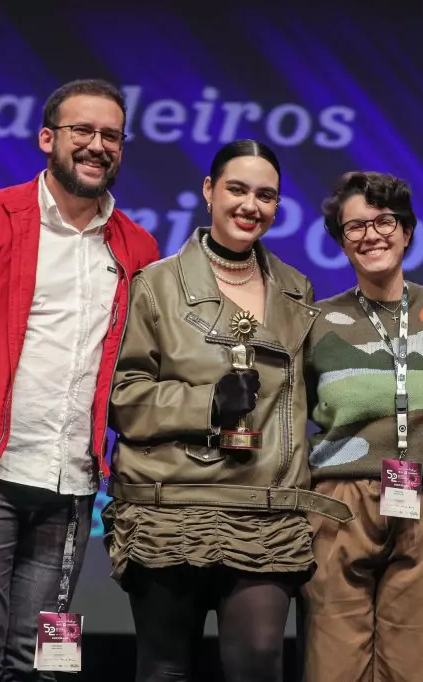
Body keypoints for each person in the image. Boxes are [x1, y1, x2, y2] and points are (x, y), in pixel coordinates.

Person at [0, 78, 160, 680]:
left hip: (69, 486)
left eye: (111, 135)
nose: (97, 145)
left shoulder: (137, 248)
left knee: (40, 664)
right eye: (82, 131)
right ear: (48, 138)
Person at [101, 139, 353, 682]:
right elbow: (123, 397)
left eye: (266, 196)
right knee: (165, 668)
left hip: (265, 509)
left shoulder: (295, 289)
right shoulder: (157, 284)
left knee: (259, 662)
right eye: (237, 189)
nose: (250, 205)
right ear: (209, 191)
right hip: (170, 505)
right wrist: (207, 403)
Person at [298, 171, 423, 681]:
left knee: (418, 667)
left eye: (384, 221)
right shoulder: (315, 321)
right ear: (340, 243)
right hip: (337, 504)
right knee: (332, 666)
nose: (371, 235)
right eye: (355, 227)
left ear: (408, 230)